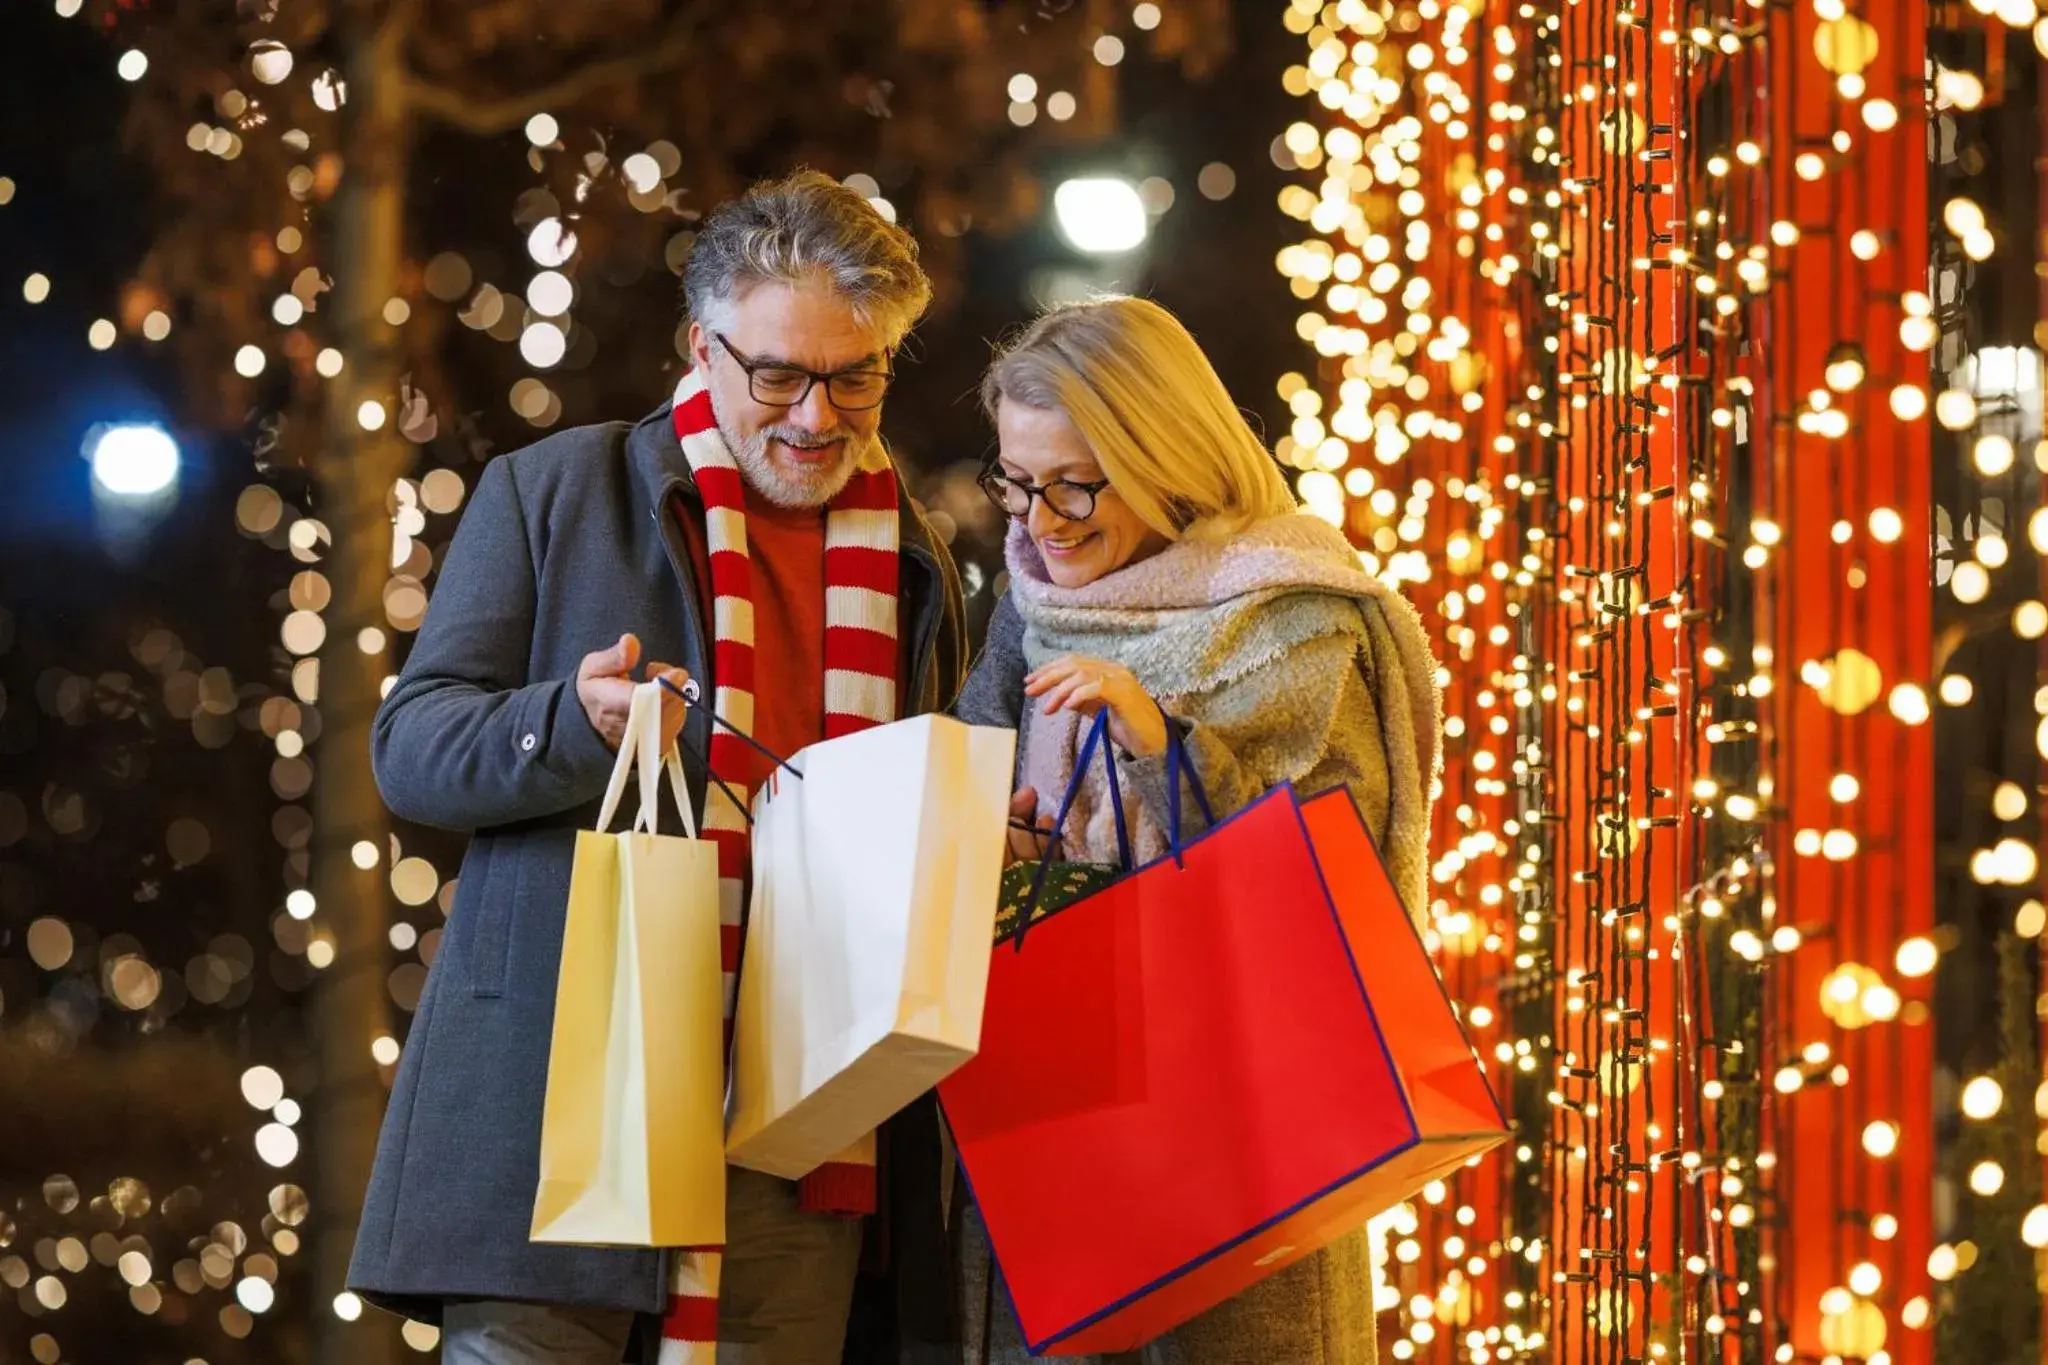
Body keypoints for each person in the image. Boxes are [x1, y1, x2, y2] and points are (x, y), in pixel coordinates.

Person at [346, 170, 967, 1365]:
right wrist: (571, 723)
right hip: (568, 1095)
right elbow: (411, 750)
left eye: (856, 377)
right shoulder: (557, 489)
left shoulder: (918, 554)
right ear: (701, 344)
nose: (814, 419)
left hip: (808, 1119)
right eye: (777, 374)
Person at [944, 296, 1442, 1365]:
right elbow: (963, 791)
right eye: (1016, 484)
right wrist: (1001, 845)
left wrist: (1153, 738)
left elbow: (1329, 888)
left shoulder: (1290, 613)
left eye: (1077, 482)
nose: (1040, 522)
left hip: (1237, 1148)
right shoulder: (1027, 611)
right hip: (1055, 1122)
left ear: (1165, 458)